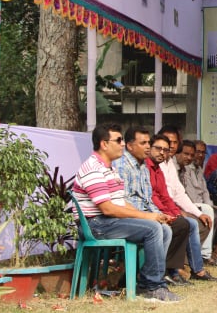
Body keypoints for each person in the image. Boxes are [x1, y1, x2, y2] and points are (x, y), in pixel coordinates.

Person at [72, 124, 181, 303]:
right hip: (95, 224)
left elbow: (121, 202)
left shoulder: (109, 168)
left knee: (164, 229)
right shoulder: (93, 168)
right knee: (153, 228)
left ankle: (146, 283)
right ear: (104, 144)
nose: (122, 144)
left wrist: (154, 215)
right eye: (118, 140)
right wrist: (148, 216)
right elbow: (107, 208)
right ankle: (154, 287)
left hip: (106, 221)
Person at [114, 127, 191, 289]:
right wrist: (150, 216)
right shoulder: (122, 165)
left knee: (169, 227)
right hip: (125, 216)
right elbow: (122, 201)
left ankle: (150, 277)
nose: (148, 147)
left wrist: (160, 215)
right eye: (143, 143)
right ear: (130, 146)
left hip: (142, 213)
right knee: (157, 228)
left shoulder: (142, 166)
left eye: (149, 143)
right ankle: (152, 280)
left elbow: (148, 199)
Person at [146, 134, 217, 284]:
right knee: (185, 224)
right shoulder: (150, 166)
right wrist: (173, 213)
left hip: (167, 208)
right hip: (150, 211)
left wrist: (179, 212)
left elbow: (173, 194)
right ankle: (172, 270)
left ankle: (195, 269)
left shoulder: (166, 165)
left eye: (172, 144)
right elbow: (153, 196)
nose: (167, 149)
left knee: (195, 221)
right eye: (160, 148)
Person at [157, 126, 214, 269]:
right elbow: (159, 195)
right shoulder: (156, 163)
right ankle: (178, 267)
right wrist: (177, 211)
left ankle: (191, 265)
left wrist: (199, 213)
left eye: (175, 142)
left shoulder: (169, 163)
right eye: (167, 141)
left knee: (203, 221)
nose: (171, 145)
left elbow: (179, 193)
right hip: (160, 209)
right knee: (187, 223)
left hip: (171, 207)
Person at [178, 140, 217, 265]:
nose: (200, 155)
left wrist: (210, 205)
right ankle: (205, 254)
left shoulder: (199, 169)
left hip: (205, 204)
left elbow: (205, 192)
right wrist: (208, 207)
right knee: (215, 215)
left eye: (203, 153)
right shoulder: (186, 169)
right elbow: (190, 194)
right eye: (198, 152)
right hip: (193, 205)